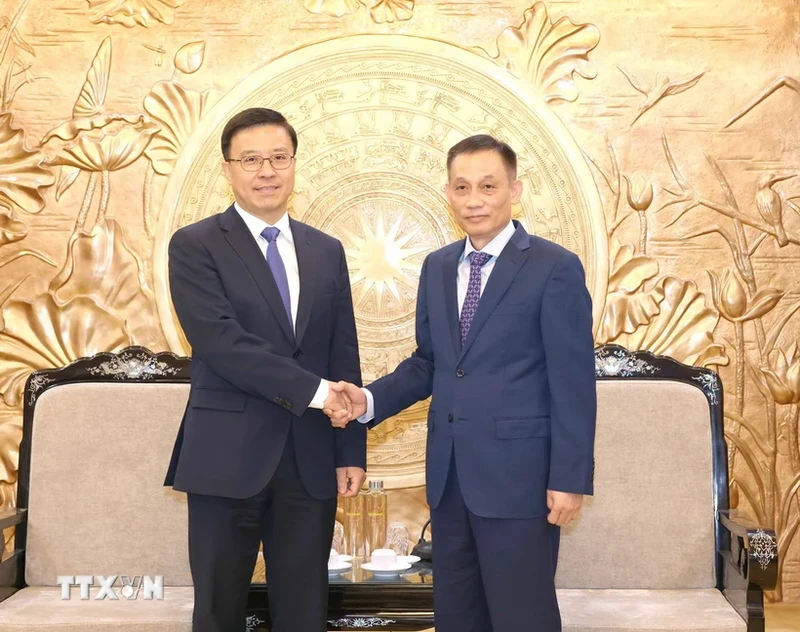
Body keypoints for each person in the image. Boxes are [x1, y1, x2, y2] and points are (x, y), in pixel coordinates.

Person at [329, 135, 596, 632]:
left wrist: (569, 479)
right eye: (462, 187)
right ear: (447, 193)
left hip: (522, 480)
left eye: (488, 186)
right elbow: (430, 363)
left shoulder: (553, 267)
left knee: (523, 616)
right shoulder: (437, 266)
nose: (474, 199)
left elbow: (573, 382)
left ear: (514, 191)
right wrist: (367, 400)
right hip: (450, 480)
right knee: (457, 616)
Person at [164, 107, 365, 632]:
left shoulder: (327, 251)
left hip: (311, 457)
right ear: (227, 169)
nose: (266, 170)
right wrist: (320, 393)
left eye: (278, 157)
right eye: (250, 159)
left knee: (303, 611)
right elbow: (222, 343)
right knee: (218, 609)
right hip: (225, 456)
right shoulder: (196, 244)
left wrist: (351, 451)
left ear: (294, 164)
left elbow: (344, 351)